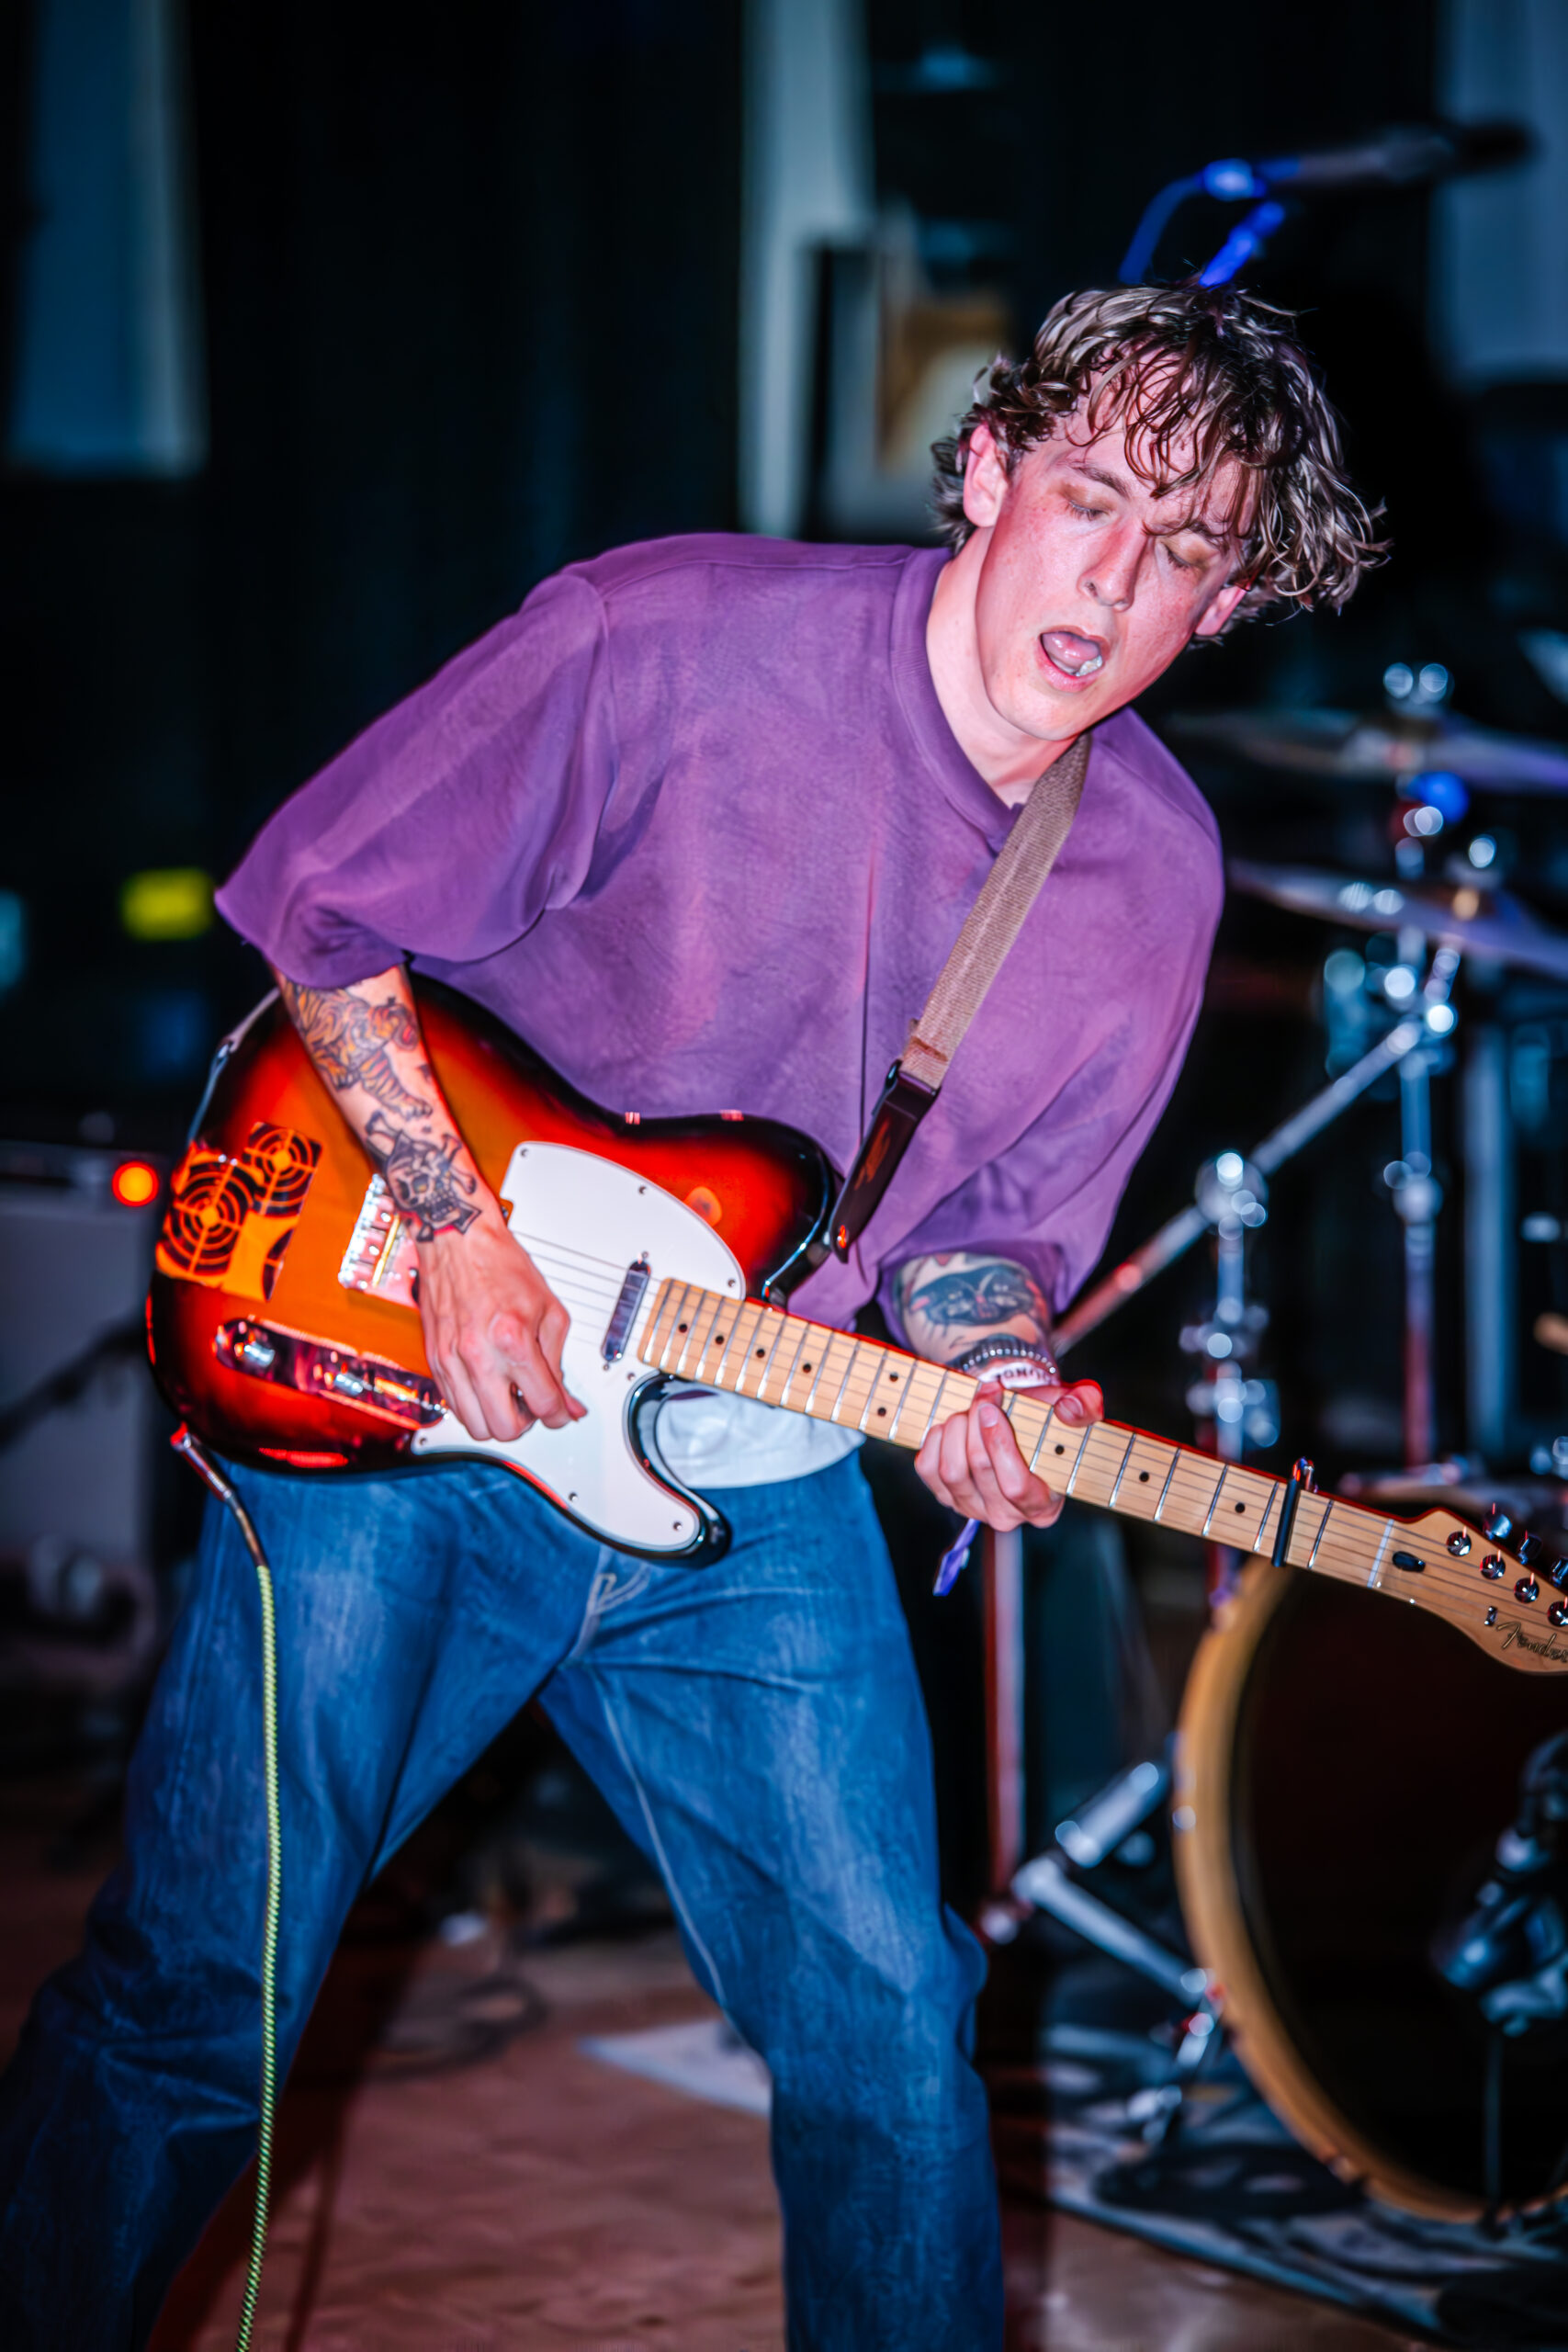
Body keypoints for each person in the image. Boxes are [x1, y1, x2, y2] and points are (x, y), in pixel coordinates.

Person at [0, 281, 1381, 2350]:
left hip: (752, 1471)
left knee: (890, 2021)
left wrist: (992, 1377)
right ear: (987, 470)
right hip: (408, 1399)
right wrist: (454, 1227)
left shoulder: (1154, 875)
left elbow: (980, 1237)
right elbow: (324, 900)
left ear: (1233, 591)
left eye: (1183, 545)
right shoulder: (664, 639)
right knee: (208, 1983)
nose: (1115, 574)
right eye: (1089, 494)